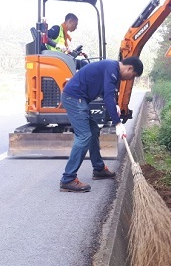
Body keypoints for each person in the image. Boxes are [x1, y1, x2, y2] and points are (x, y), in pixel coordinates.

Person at [59, 56, 144, 192]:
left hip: (80, 99)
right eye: (131, 75)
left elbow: (107, 92)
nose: (129, 79)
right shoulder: (112, 68)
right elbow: (108, 96)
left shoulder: (111, 69)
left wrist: (115, 105)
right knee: (84, 136)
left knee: (93, 131)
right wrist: (117, 123)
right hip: (74, 98)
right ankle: (68, 179)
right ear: (129, 68)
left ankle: (98, 169)